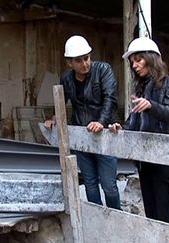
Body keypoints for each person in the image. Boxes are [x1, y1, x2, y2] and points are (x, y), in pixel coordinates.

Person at [45, 35, 121, 210]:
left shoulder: (103, 70)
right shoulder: (66, 78)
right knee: (90, 184)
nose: (84, 64)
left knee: (109, 185)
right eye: (78, 61)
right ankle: (96, 221)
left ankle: (115, 219)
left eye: (86, 58)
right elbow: (61, 102)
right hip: (81, 135)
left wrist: (101, 122)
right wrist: (54, 118)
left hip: (104, 136)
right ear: (69, 63)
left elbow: (110, 98)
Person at [109, 37, 169, 224]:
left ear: (151, 59)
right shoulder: (140, 87)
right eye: (132, 62)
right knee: (151, 211)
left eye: (138, 60)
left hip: (164, 156)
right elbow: (134, 120)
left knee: (164, 210)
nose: (134, 65)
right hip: (143, 157)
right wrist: (121, 127)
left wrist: (151, 105)